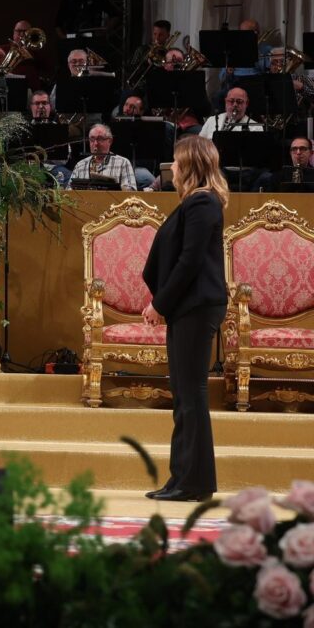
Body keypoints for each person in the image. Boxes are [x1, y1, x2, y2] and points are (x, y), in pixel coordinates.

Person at [142, 135, 228, 502]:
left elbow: (189, 261)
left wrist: (159, 304)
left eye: (176, 162)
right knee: (184, 395)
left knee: (191, 395)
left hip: (196, 304)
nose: (172, 168)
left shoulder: (203, 203)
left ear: (190, 165)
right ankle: (181, 478)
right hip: (189, 306)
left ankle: (193, 483)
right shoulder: (197, 202)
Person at [70, 123, 137, 190]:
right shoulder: (80, 165)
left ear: (110, 141)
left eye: (100, 139)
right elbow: (69, 193)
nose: (96, 143)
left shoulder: (123, 163)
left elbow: (132, 193)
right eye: (92, 139)